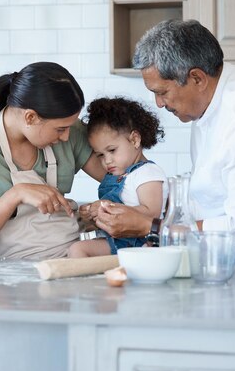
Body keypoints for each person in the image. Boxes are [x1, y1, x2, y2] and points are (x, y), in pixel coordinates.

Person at [95, 19, 235, 251]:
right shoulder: (211, 101)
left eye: (162, 92)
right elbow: (210, 192)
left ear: (197, 79)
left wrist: (151, 227)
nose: (159, 104)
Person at [0, 62, 106, 259]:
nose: (66, 137)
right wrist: (16, 195)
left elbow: (125, 180)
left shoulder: (70, 130)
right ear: (30, 117)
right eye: (60, 129)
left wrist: (105, 211)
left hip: (73, 261)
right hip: (11, 274)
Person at [67, 97, 167, 258]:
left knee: (79, 250)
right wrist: (92, 215)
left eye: (112, 150)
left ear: (135, 140)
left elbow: (151, 214)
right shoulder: (120, 175)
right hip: (120, 239)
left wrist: (107, 207)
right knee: (77, 248)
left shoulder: (148, 173)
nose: (107, 161)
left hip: (141, 242)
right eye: (100, 155)